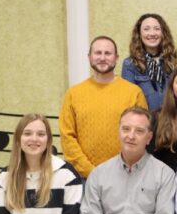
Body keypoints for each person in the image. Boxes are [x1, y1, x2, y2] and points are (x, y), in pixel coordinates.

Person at [59, 35, 148, 179]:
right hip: (85, 178)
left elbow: (142, 134)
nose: (102, 57)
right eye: (97, 53)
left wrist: (124, 168)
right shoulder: (73, 94)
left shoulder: (133, 93)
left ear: (116, 58)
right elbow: (67, 136)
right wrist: (91, 172)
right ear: (89, 57)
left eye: (107, 53)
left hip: (126, 176)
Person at [121, 13, 177, 111]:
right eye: (146, 29)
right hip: (145, 119)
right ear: (139, 34)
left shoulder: (175, 62)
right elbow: (128, 101)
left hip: (172, 118)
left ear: (163, 33)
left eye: (156, 29)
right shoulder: (130, 64)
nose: (152, 33)